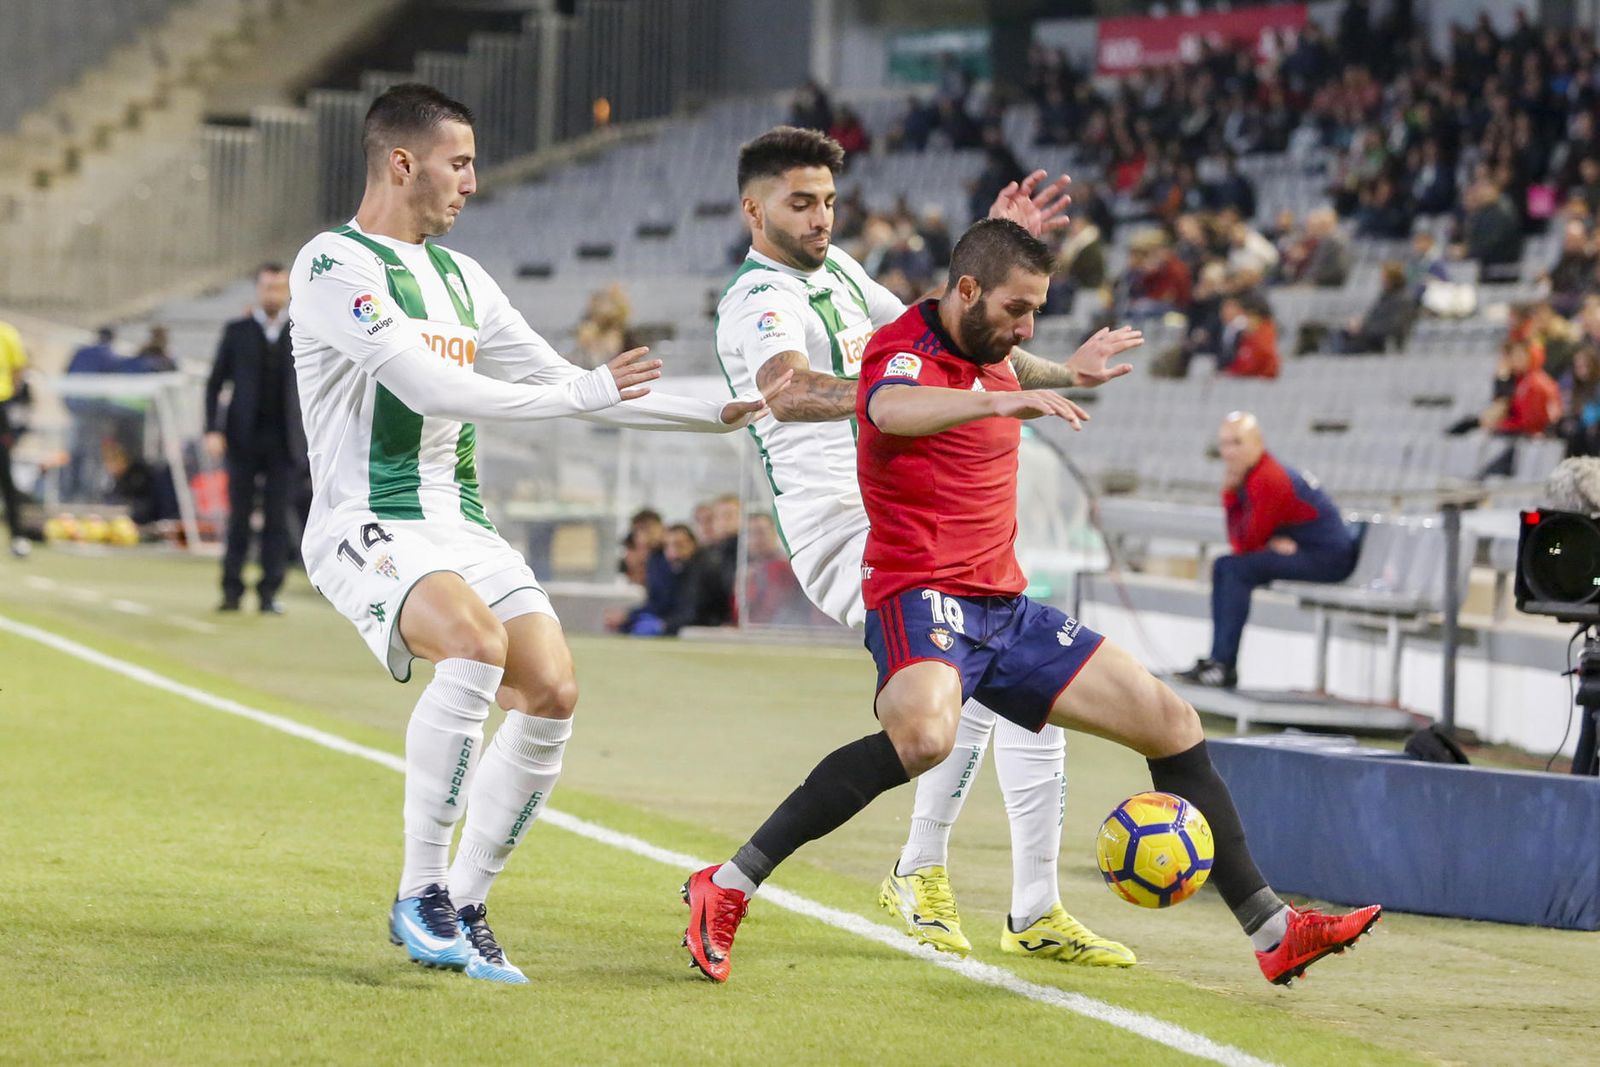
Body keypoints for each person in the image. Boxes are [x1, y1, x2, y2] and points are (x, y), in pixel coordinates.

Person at [686, 220, 1380, 985]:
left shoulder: (990, 347)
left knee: (1173, 721)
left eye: (1037, 312)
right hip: (920, 592)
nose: (1026, 329)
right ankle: (726, 884)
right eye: (1018, 309)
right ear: (968, 292)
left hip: (1004, 607)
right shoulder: (902, 345)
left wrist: (1070, 375)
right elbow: (889, 408)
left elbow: (1002, 353)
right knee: (923, 735)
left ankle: (1273, 929)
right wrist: (996, 406)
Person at [288, 83, 783, 984]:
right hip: (367, 519)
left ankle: (468, 903)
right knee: (473, 644)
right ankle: (419, 890)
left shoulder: (466, 280)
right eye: (460, 162)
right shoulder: (332, 267)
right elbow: (434, 389)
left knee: (553, 689)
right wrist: (578, 392)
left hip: (460, 520)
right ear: (404, 163)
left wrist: (723, 411)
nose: (473, 182)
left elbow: (577, 382)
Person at [715, 127, 1146, 970]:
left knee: (1031, 681)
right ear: (754, 208)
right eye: (800, 203)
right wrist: (893, 395)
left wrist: (992, 259)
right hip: (842, 524)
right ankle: (918, 869)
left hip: (913, 493)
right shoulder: (756, 298)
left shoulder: (840, 272)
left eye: (829, 202)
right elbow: (792, 389)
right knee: (979, 664)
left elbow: (951, 335)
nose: (820, 219)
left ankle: (1034, 906)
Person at [1177, 412, 1361, 689]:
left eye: (1236, 443)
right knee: (1226, 566)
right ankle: (1219, 660)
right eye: (1224, 444)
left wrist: (1230, 496)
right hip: (1310, 548)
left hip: (1328, 558)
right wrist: (1272, 539)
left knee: (1233, 568)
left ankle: (1223, 664)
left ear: (1257, 443)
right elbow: (1245, 538)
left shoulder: (1267, 478)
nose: (1228, 452)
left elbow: (1243, 543)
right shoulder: (1255, 475)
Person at [205, 264, 306, 613]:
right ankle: (231, 589)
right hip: (243, 438)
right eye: (267, 287)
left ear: (288, 292)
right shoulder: (238, 332)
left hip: (286, 440)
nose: (273, 294)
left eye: (279, 287)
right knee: (239, 517)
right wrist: (212, 429)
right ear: (258, 290)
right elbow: (215, 383)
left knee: (278, 519)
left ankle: (269, 592)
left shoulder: (304, 333)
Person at [0, 317, 29, 557]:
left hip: (0, 409)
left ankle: (18, 537)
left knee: (5, 476)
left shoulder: (7, 333)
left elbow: (18, 370)